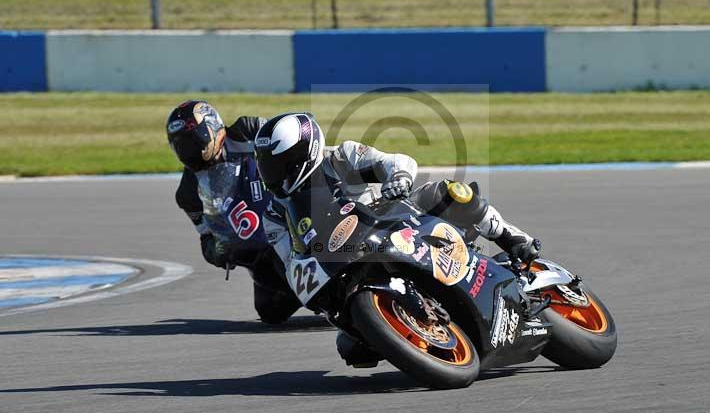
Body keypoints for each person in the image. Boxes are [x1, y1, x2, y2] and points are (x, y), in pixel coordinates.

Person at [252, 112, 541, 267]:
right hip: (348, 263)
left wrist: (398, 178)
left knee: (446, 192)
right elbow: (294, 264)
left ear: (306, 151)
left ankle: (510, 236)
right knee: (353, 349)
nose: (274, 176)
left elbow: (395, 162)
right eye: (267, 167)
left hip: (392, 224)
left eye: (281, 165)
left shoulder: (340, 159)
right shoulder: (275, 216)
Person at [165, 100, 300, 323]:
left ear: (212, 128)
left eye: (192, 142)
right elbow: (205, 237)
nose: (188, 152)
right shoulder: (187, 193)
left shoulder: (249, 131)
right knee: (270, 311)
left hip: (287, 207)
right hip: (255, 241)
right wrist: (219, 250)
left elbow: (291, 146)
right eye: (180, 146)